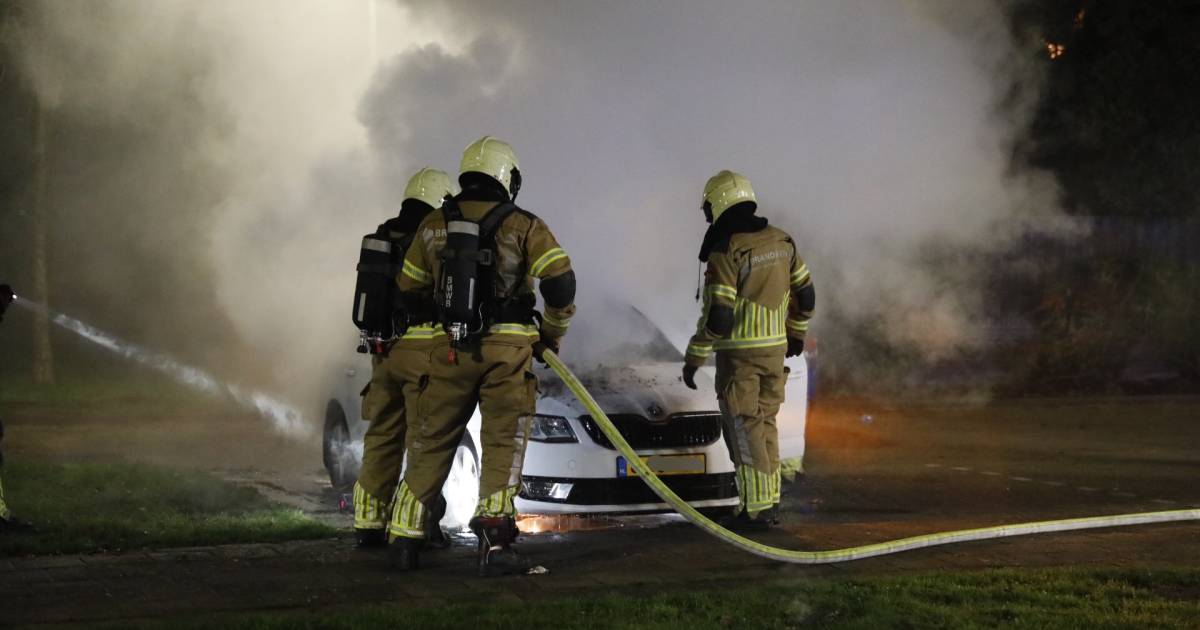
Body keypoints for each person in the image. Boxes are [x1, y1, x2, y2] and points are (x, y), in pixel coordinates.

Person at [388, 136, 576, 575]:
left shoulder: (433, 224)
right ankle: (494, 544)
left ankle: (403, 541)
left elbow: (406, 291)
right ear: (506, 176)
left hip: (449, 350)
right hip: (507, 353)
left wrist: (444, 319)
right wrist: (551, 334)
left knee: (430, 442)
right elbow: (561, 284)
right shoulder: (525, 224)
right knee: (500, 445)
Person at [681, 170, 815, 530]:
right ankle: (767, 501)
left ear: (720, 202)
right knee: (766, 425)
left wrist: (694, 356)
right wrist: (796, 333)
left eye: (709, 208)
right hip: (775, 354)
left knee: (743, 430)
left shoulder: (727, 249)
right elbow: (806, 292)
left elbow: (719, 316)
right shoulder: (782, 240)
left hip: (740, 358)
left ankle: (755, 511)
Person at [352, 169, 455, 548]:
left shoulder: (382, 235)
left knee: (381, 436)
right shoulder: (430, 237)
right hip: (420, 352)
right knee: (423, 441)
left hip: (382, 352)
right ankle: (418, 525)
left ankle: (367, 523)